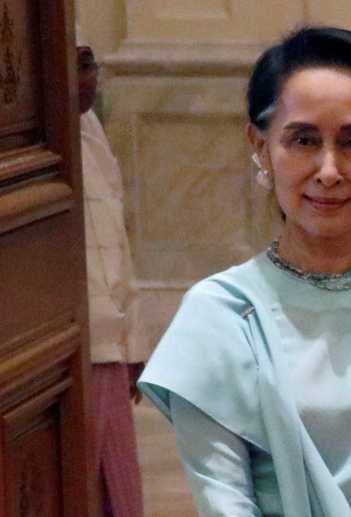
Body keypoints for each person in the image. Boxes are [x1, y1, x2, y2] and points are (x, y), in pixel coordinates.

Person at [137, 26, 351, 516]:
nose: (328, 171)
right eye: (303, 140)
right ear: (261, 146)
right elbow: (226, 504)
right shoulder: (219, 315)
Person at [79, 30, 147, 517]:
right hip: (71, 354)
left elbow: (118, 247)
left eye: (87, 64)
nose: (84, 79)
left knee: (118, 495)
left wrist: (133, 344)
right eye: (72, 66)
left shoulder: (90, 134)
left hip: (108, 347)